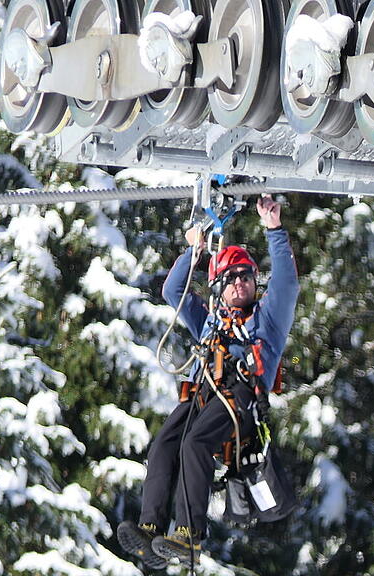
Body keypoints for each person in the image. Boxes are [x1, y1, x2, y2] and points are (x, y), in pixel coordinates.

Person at [118, 196, 299, 567]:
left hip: (239, 401)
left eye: (246, 277)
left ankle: (189, 534)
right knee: (165, 446)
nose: (239, 284)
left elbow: (287, 282)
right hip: (203, 397)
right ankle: (151, 525)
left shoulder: (267, 321)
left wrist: (274, 229)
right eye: (231, 279)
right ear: (218, 286)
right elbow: (173, 290)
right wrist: (194, 251)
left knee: (195, 445)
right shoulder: (209, 321)